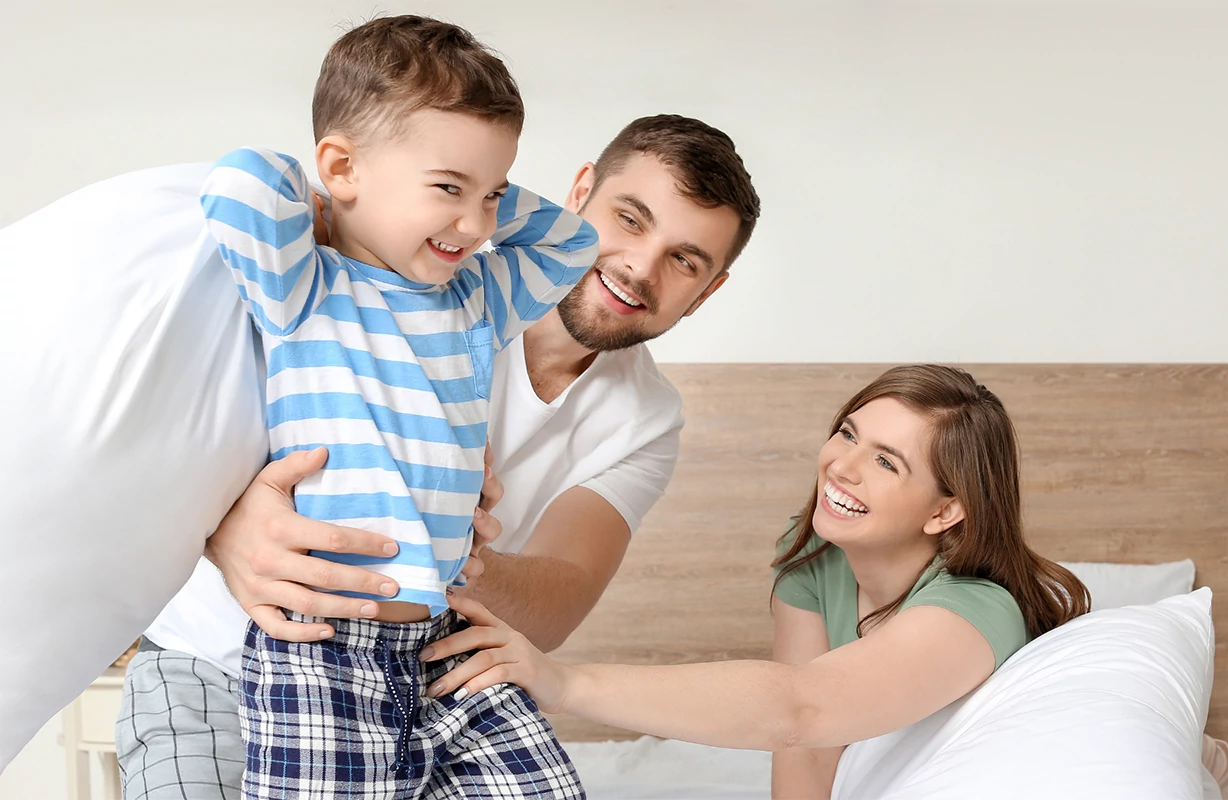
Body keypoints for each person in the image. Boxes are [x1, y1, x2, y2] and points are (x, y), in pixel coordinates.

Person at [116, 112, 762, 798]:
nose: (640, 266)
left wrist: (448, 539)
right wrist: (225, 528)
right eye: (629, 219)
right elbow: (169, 432)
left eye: (685, 260)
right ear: (579, 193)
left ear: (707, 291)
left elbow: (555, 607)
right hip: (214, 661)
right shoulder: (392, 271)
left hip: (416, 679)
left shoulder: (645, 417)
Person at [197, 14, 600, 799]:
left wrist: (470, 180)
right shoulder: (306, 285)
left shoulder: (477, 298)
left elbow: (573, 244)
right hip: (323, 651)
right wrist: (331, 201)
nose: (476, 225)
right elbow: (241, 181)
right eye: (448, 189)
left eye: (493, 195)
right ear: (341, 166)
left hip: (447, 637)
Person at [416, 364, 1094, 798]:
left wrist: (563, 683)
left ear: (946, 512)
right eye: (848, 433)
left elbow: (801, 707)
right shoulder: (816, 556)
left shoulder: (975, 610)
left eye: (887, 462)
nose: (842, 466)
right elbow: (803, 751)